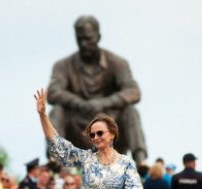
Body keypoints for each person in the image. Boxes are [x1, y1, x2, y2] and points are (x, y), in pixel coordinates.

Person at [47, 15, 147, 164]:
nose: (83, 43)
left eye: (88, 38)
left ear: (98, 37)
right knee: (57, 111)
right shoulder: (63, 65)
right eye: (80, 39)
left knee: (131, 111)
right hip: (78, 126)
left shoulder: (117, 63)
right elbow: (53, 92)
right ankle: (55, 161)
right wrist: (79, 103)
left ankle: (140, 161)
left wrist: (102, 103)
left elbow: (133, 92)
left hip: (110, 125)